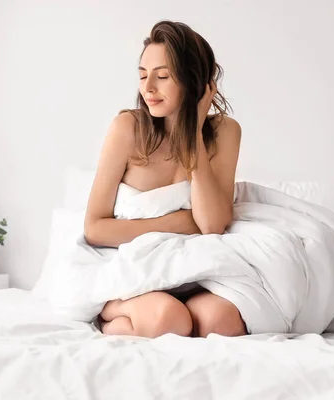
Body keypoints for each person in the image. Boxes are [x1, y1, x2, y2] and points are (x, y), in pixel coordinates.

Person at [83, 20, 245, 339]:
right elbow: (94, 228)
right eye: (143, 75)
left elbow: (212, 225)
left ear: (194, 81)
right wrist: (178, 223)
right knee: (168, 319)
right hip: (134, 272)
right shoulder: (127, 128)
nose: (148, 88)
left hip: (194, 272)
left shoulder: (225, 132)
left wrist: (194, 134)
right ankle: (112, 314)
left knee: (222, 323)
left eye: (163, 76)